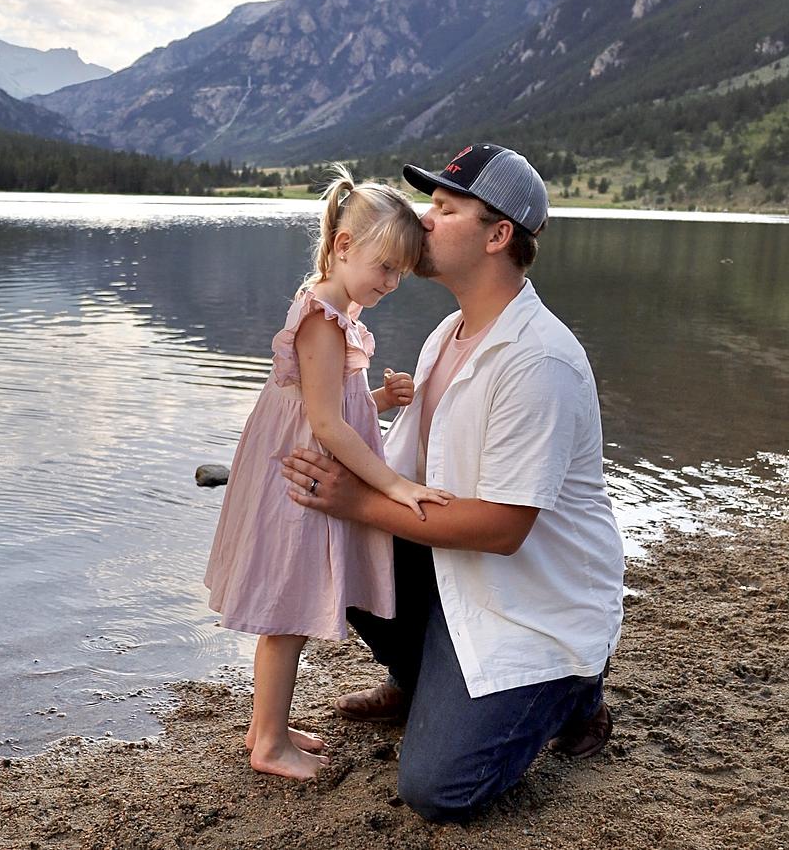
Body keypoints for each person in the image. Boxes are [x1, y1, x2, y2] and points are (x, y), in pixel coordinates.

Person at [282, 143, 625, 821]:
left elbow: (502, 529)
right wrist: (319, 469)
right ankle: (420, 679)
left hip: (534, 605)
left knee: (438, 789)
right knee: (328, 527)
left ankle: (576, 692)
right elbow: (407, 475)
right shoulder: (448, 333)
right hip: (457, 573)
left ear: (498, 236)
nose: (422, 219)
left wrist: (356, 499)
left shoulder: (539, 361)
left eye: (445, 207)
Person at [204, 166, 452, 781]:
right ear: (344, 246)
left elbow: (333, 405)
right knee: (287, 613)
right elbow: (325, 424)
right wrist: (393, 485)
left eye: (400, 272)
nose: (391, 282)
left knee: (290, 610)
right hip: (300, 478)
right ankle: (267, 743)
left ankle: (268, 726)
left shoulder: (337, 309)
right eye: (384, 267)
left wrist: (381, 401)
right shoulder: (321, 316)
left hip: (306, 467)